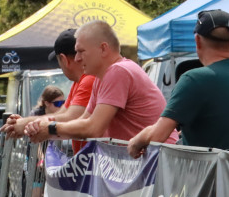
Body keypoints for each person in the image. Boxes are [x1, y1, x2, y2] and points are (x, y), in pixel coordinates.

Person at [127, 9, 229, 158]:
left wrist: (137, 140)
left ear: (197, 41)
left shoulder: (193, 80)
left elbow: (158, 136)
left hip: (213, 185)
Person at [24, 20, 175, 145]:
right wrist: (44, 129)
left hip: (156, 164)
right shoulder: (101, 77)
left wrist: (49, 128)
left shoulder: (118, 71)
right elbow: (82, 122)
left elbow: (93, 128)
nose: (76, 58)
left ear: (103, 49)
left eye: (81, 51)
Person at [2, 29, 94, 155]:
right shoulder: (79, 82)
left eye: (58, 62)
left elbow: (70, 118)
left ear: (64, 59)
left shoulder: (89, 79)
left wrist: (24, 124)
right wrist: (26, 123)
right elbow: (62, 113)